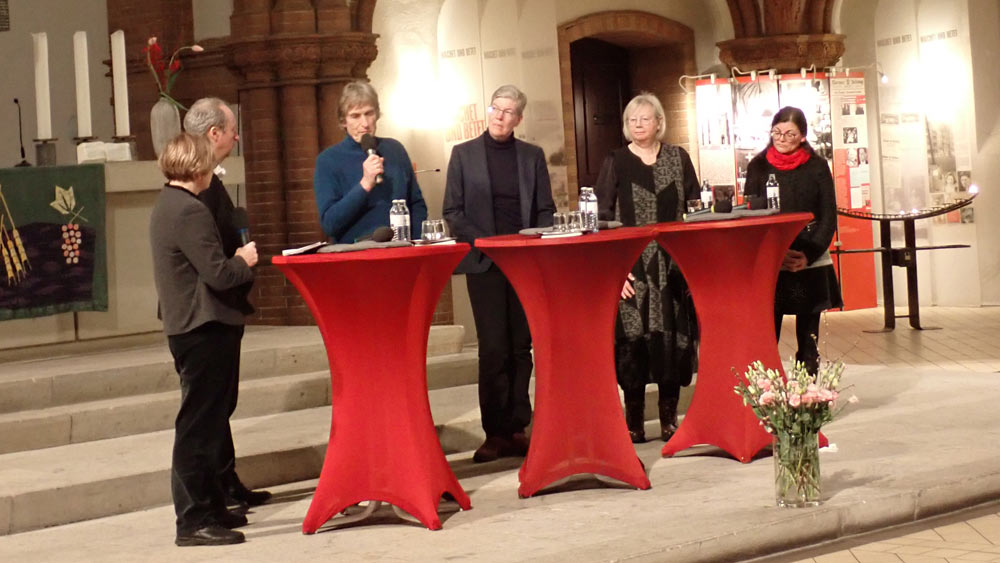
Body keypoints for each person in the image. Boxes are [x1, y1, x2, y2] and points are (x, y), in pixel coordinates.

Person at [150, 133, 259, 546]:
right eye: (210, 164)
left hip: (191, 326)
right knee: (198, 427)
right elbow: (219, 273)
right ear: (197, 168)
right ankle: (193, 520)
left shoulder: (167, 203)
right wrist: (243, 260)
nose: (213, 171)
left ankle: (212, 508)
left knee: (210, 424)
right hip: (202, 326)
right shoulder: (190, 211)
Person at [443, 84, 555, 462]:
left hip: (523, 262)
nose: (500, 116)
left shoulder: (532, 156)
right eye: (496, 108)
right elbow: (453, 212)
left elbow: (545, 210)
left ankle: (518, 427)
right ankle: (494, 432)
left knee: (521, 348)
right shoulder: (463, 155)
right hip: (485, 261)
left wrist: (530, 245)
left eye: (509, 111)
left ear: (518, 119)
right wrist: (489, 243)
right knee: (493, 349)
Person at [595, 92, 700, 444]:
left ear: (659, 122)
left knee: (671, 343)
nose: (638, 125)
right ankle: (634, 423)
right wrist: (615, 271)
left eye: (645, 118)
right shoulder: (616, 161)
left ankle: (670, 419)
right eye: (632, 120)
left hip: (672, 266)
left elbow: (694, 208)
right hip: (631, 267)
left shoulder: (678, 157)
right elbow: (602, 218)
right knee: (632, 346)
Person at [183, 97, 272, 508]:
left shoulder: (209, 182)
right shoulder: (191, 189)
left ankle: (226, 479)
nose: (237, 137)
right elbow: (206, 254)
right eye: (232, 129)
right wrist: (237, 261)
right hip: (203, 310)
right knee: (207, 410)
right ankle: (209, 496)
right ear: (214, 133)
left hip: (223, 303)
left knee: (223, 403)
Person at [743, 106, 842, 375]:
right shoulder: (758, 166)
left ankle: (807, 394)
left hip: (808, 259)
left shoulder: (817, 166)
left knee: (808, 337)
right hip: (773, 261)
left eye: (790, 134)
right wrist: (776, 254)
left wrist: (807, 254)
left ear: (802, 136)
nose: (782, 138)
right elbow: (750, 215)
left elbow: (828, 215)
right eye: (777, 132)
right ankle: (767, 394)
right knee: (767, 333)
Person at [313, 81, 428, 242]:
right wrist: (365, 184)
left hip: (401, 250)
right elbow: (330, 224)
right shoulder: (328, 160)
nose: (365, 124)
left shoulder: (395, 150)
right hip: (355, 255)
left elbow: (416, 203)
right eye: (355, 116)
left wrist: (413, 242)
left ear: (377, 114)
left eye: (369, 113)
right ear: (343, 121)